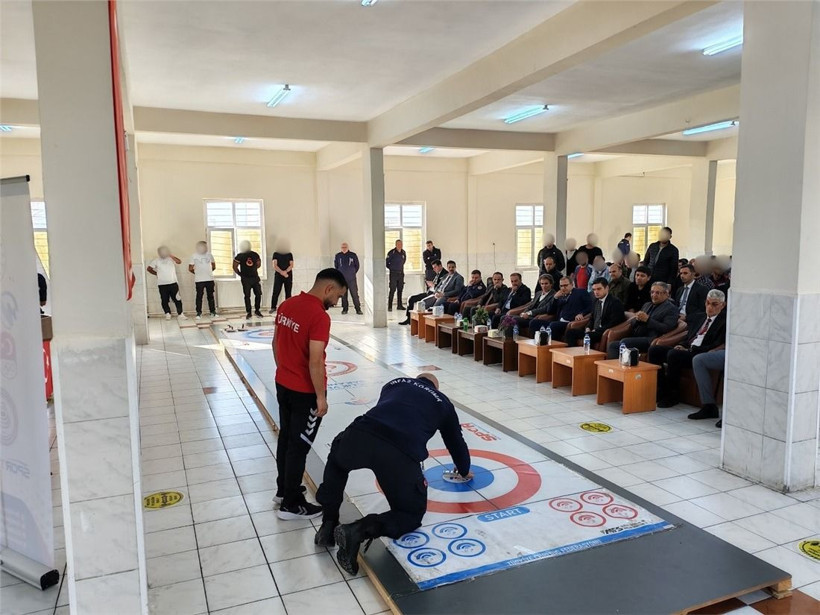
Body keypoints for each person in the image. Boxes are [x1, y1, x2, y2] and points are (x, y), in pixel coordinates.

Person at [313, 374, 471, 574]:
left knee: (337, 462)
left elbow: (389, 410)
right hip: (400, 453)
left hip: (361, 433)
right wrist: (464, 469)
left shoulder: (395, 383)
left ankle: (328, 524)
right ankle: (358, 530)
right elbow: (455, 442)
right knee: (410, 514)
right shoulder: (443, 403)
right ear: (436, 387)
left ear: (417, 379)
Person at [274, 268, 348, 520]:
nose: (336, 303)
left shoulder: (288, 304)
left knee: (286, 439)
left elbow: (275, 343)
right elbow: (315, 361)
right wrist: (321, 398)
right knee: (299, 446)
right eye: (337, 296)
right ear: (328, 288)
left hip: (283, 384)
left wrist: (284, 370)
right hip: (304, 392)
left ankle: (283, 491)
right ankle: (292, 505)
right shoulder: (318, 316)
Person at [648, 290, 726, 410]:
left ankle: (673, 395)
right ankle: (661, 389)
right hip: (689, 349)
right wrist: (682, 345)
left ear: (723, 305)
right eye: (708, 303)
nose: (710, 307)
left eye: (714, 304)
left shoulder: (724, 321)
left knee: (674, 355)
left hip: (701, 352)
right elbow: (689, 336)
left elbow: (716, 344)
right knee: (655, 350)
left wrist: (691, 349)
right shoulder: (700, 317)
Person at [606, 282, 678, 358]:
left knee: (624, 342)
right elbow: (633, 324)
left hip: (652, 339)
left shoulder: (671, 309)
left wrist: (648, 320)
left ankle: (628, 368)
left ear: (666, 294)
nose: (654, 295)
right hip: (637, 335)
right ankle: (616, 368)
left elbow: (666, 328)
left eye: (657, 293)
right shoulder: (647, 305)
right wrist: (637, 319)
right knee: (612, 345)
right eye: (652, 292)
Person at [564, 278, 625, 348]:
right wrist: (588, 327)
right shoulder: (596, 301)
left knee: (589, 336)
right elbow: (592, 318)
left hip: (603, 331)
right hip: (592, 331)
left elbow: (614, 322)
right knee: (570, 332)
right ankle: (571, 355)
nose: (596, 292)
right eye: (594, 290)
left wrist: (596, 330)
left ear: (607, 288)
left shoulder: (615, 302)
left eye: (599, 289)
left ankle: (585, 357)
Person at [147, 246, 187, 321]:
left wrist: (171, 255)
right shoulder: (156, 260)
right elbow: (149, 269)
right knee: (164, 300)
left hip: (173, 283)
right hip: (162, 284)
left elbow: (179, 262)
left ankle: (180, 314)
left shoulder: (171, 259)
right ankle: (167, 314)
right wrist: (156, 274)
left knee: (177, 299)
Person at [398, 261, 444, 325]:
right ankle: (409, 318)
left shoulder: (444, 274)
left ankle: (419, 321)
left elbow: (441, 287)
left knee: (422, 302)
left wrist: (433, 285)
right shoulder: (438, 273)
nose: (434, 269)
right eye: (433, 268)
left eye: (435, 267)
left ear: (440, 266)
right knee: (411, 298)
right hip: (429, 292)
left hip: (434, 294)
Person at [692, 349, 726, 427]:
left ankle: (729, 415)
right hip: (729, 350)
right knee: (698, 360)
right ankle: (709, 406)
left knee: (730, 364)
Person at [233, 240, 263, 319]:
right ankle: (249, 312)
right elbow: (234, 267)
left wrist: (252, 270)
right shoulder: (239, 256)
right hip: (246, 279)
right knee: (247, 295)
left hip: (255, 278)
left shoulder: (255, 254)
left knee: (258, 294)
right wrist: (240, 274)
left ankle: (257, 310)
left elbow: (258, 264)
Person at [188, 241, 217, 320]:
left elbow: (214, 266)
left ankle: (213, 312)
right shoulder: (194, 256)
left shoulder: (209, 255)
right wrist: (197, 273)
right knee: (199, 296)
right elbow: (190, 268)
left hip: (210, 279)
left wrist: (209, 272)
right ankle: (198, 313)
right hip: (199, 280)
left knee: (210, 296)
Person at [334, 242, 362, 315]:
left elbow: (357, 266)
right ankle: (345, 309)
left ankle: (358, 309)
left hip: (351, 279)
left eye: (345, 247)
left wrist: (352, 273)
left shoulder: (353, 255)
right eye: (342, 247)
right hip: (342, 280)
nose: (344, 248)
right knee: (343, 295)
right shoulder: (338, 256)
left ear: (348, 247)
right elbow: (336, 266)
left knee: (355, 294)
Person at [270, 248, 294, 313]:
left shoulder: (289, 254)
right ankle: (273, 307)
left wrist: (285, 271)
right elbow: (275, 265)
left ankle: (288, 307)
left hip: (288, 275)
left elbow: (291, 265)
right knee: (276, 291)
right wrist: (282, 272)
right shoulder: (276, 254)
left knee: (288, 292)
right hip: (278, 276)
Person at [386, 240, 406, 311]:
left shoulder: (403, 252)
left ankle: (399, 305)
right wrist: (392, 268)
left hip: (401, 274)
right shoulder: (392, 252)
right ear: (396, 244)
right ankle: (390, 306)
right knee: (392, 289)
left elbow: (403, 261)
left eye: (401, 244)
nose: (400, 245)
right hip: (393, 274)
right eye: (398, 244)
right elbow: (387, 263)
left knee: (400, 290)